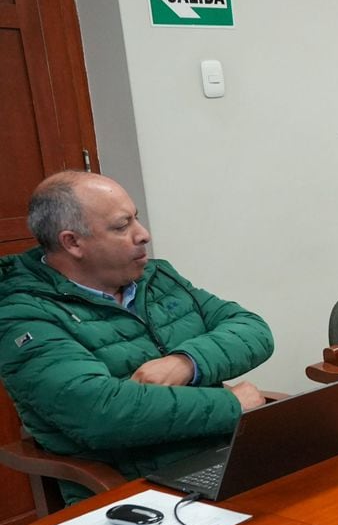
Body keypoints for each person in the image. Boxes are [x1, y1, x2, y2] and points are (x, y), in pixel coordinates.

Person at [0, 173, 273, 494]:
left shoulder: (157, 277)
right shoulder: (22, 315)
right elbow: (101, 413)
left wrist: (185, 362)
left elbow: (253, 330)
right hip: (136, 490)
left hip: (222, 459)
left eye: (137, 219)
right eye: (121, 226)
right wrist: (231, 405)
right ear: (72, 242)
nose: (143, 235)